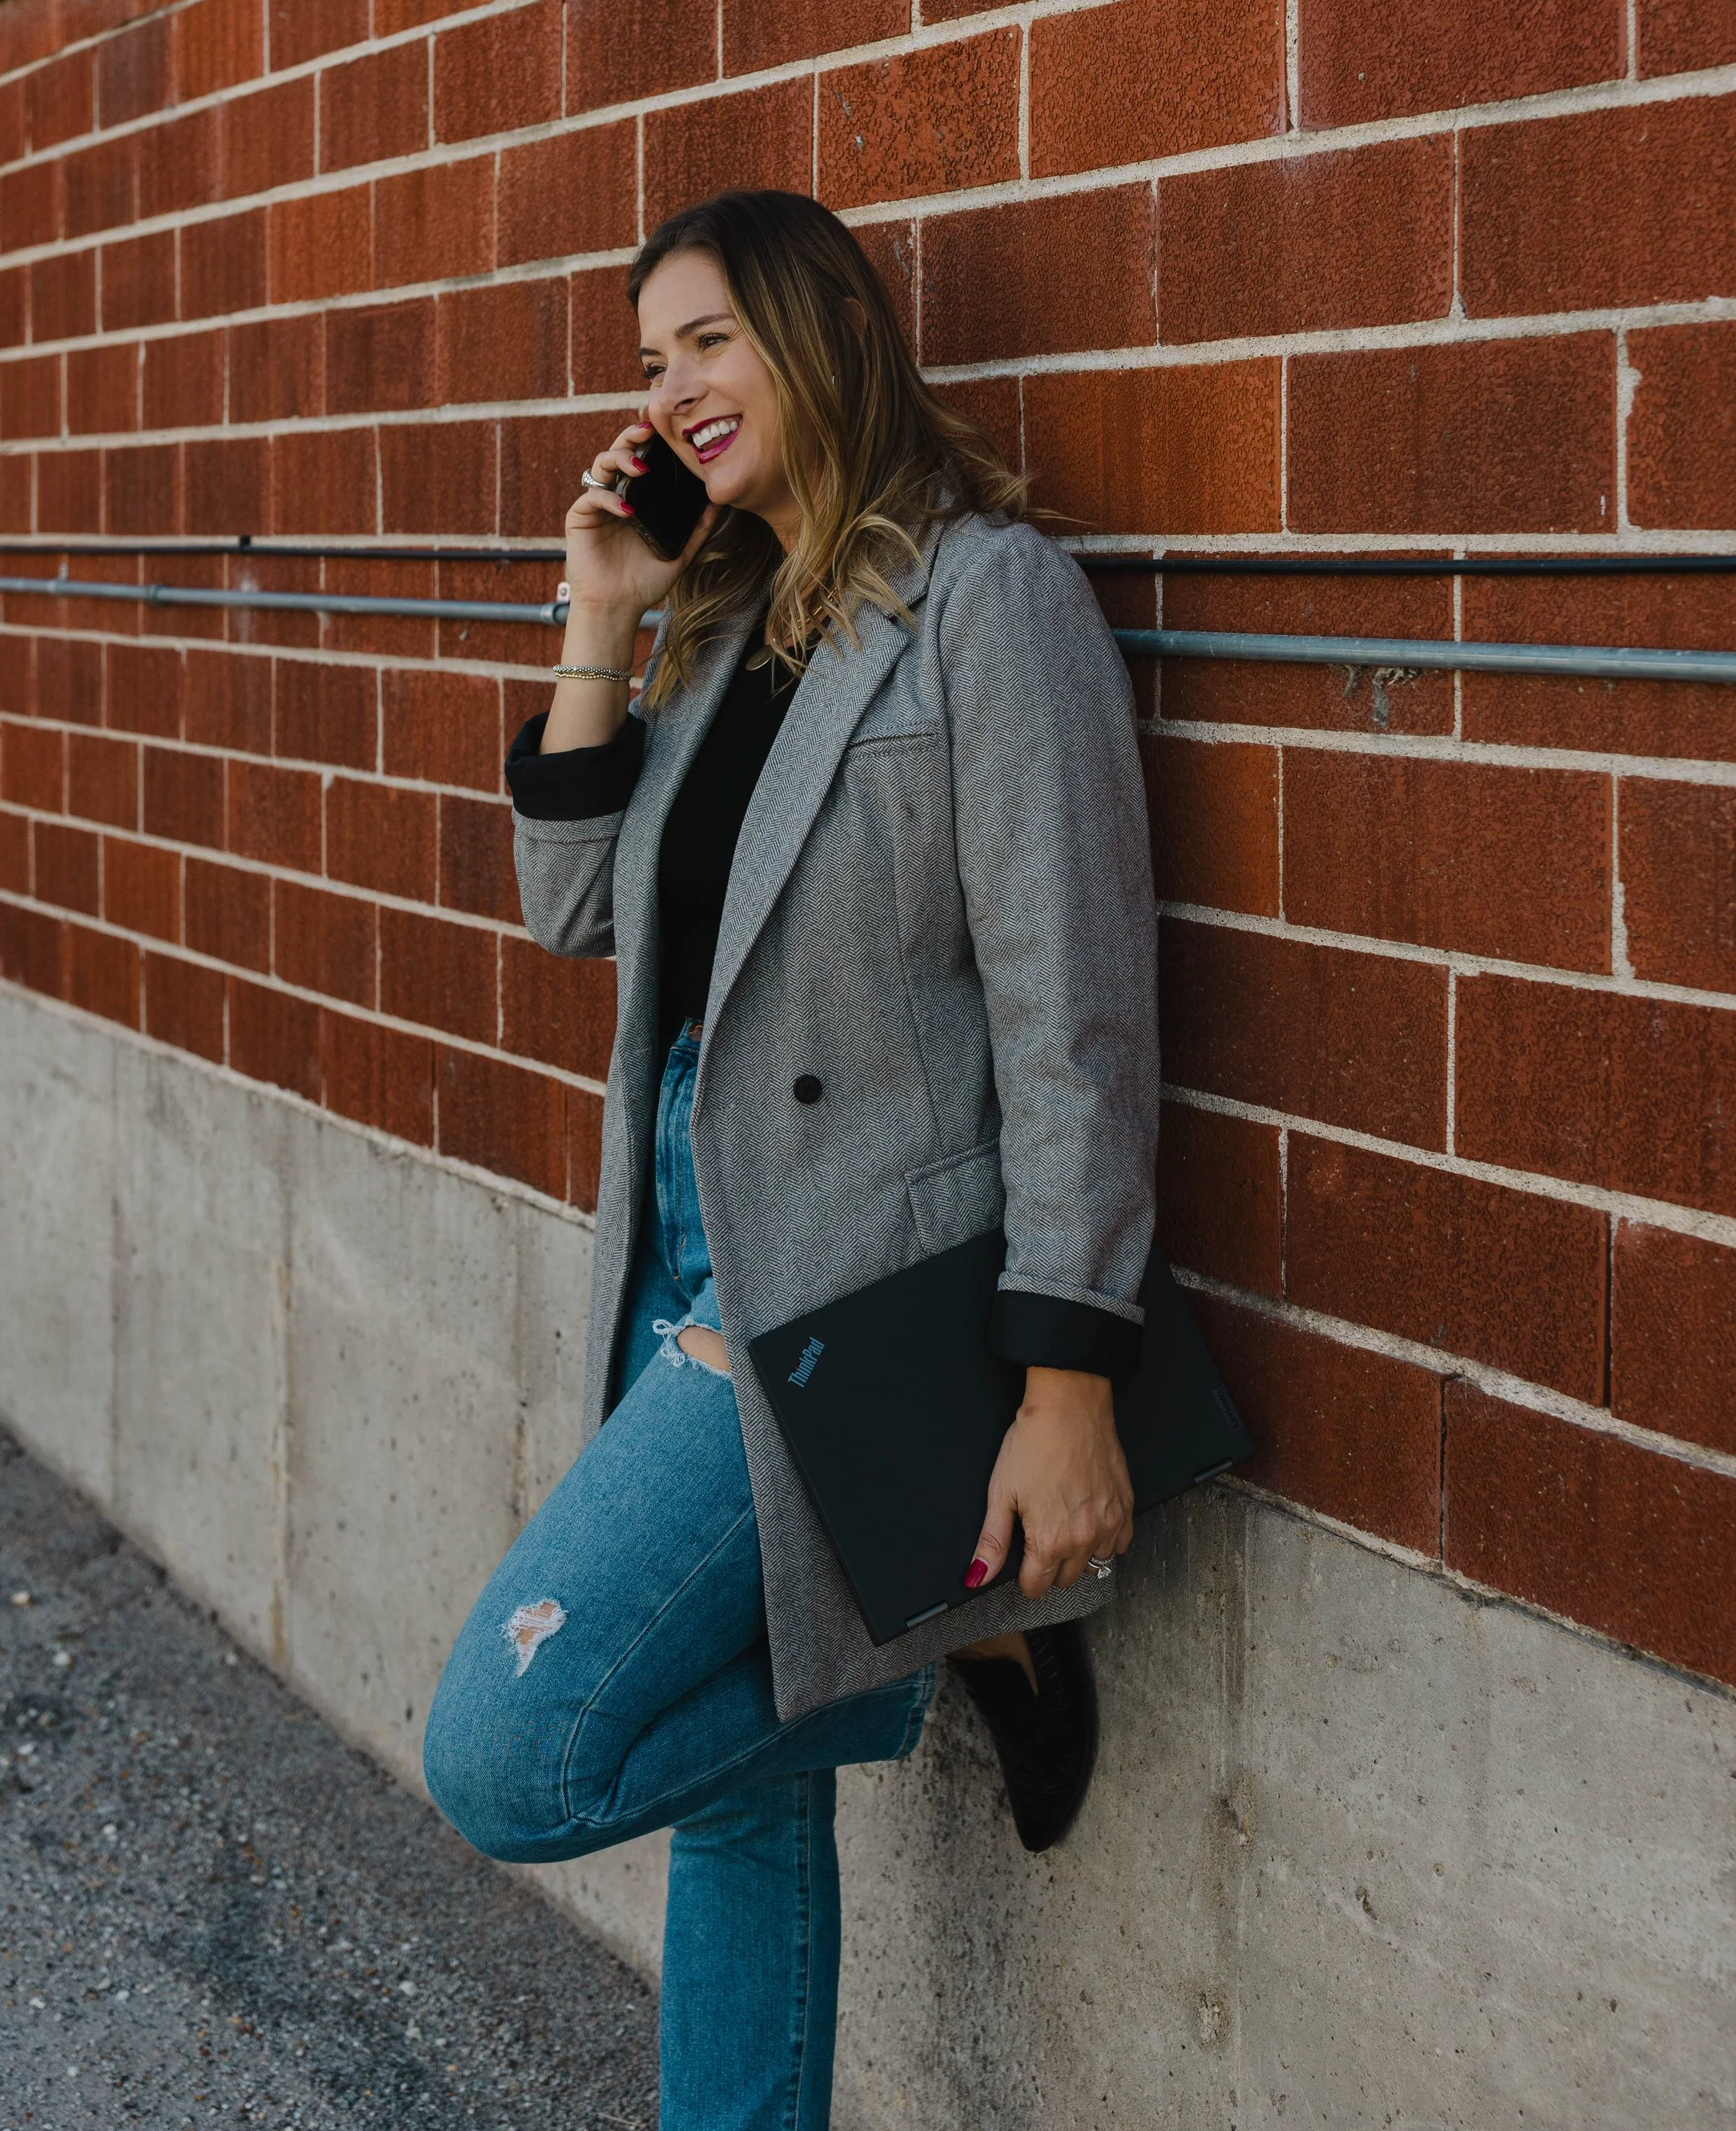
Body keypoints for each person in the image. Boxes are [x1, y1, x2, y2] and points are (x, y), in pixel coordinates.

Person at [424, 189, 1158, 2129]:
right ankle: (946, 1633)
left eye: (710, 341)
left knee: (507, 1752)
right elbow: (575, 912)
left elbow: (1072, 1008)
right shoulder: (723, 615)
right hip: (674, 1241)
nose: (670, 389)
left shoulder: (986, 600)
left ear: (827, 323)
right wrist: (600, 614)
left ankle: (932, 1643)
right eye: (651, 357)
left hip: (828, 1282)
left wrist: (1067, 1379)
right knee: (739, 1817)